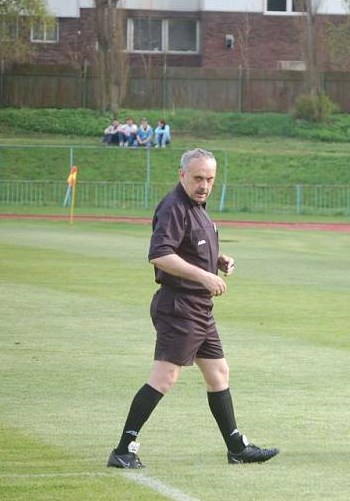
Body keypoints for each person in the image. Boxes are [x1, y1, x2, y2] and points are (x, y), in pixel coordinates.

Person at [107, 149, 279, 469]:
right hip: (179, 306)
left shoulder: (198, 207)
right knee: (165, 376)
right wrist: (203, 275)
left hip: (200, 308)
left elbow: (192, 247)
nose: (204, 185)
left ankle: (236, 448)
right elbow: (160, 255)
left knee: (219, 373)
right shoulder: (174, 207)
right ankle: (123, 449)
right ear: (182, 174)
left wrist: (218, 260)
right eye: (198, 178)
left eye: (210, 179)